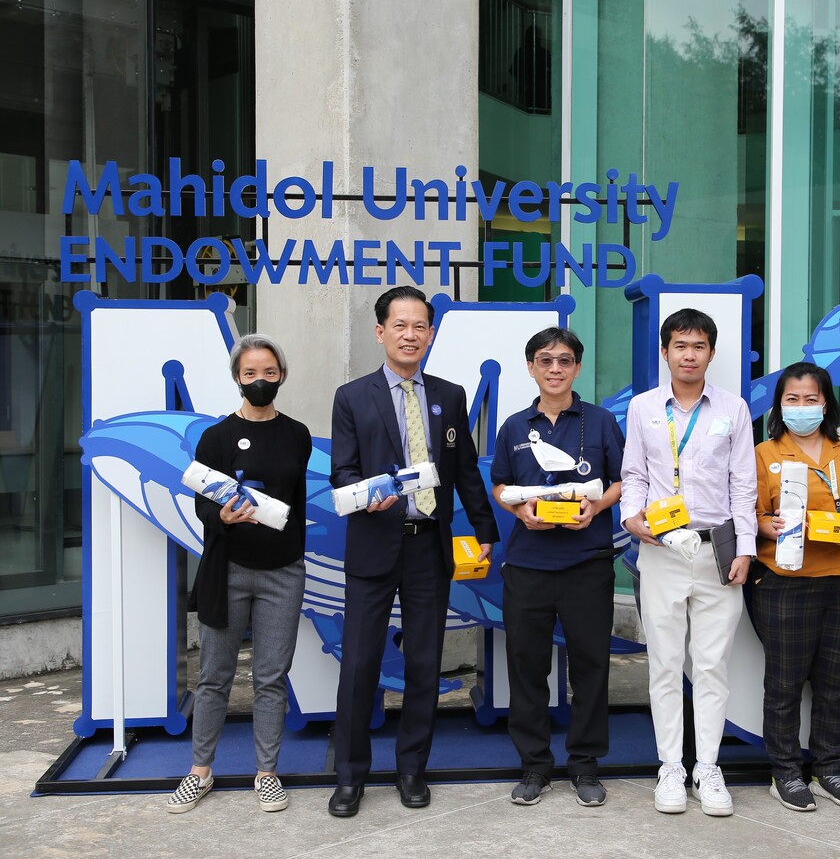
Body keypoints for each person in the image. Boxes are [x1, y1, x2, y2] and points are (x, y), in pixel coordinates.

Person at [327, 286, 499, 818]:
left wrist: (485, 526)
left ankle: (411, 770)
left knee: (425, 662)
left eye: (419, 326)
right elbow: (342, 471)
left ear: (430, 333)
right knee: (360, 664)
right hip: (374, 543)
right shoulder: (352, 397)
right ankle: (350, 777)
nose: (410, 335)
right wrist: (366, 496)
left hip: (429, 548)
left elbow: (464, 468)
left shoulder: (450, 395)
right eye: (399, 325)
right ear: (380, 332)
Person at [166, 334, 312, 814]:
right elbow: (202, 503)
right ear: (237, 378)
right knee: (214, 676)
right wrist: (222, 517)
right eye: (251, 373)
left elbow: (295, 500)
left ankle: (266, 774)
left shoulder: (297, 434)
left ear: (281, 375)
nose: (260, 381)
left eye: (269, 372)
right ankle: (199, 772)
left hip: (283, 572)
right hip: (226, 570)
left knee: (271, 676)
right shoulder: (216, 437)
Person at [620, 308, 757, 817]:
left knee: (712, 665)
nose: (689, 355)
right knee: (664, 663)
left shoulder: (733, 409)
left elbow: (743, 484)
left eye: (699, 346)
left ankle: (709, 768)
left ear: (711, 353)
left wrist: (746, 549)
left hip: (717, 548)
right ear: (665, 352)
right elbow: (634, 474)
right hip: (661, 550)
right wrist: (631, 517)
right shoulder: (643, 408)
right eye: (680, 345)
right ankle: (671, 767)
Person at [490, 327, 624, 808]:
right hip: (527, 565)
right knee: (527, 668)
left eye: (565, 360)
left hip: (587, 563)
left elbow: (622, 480)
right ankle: (534, 766)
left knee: (591, 667)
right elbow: (500, 485)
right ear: (531, 367)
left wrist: (596, 507)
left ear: (577, 368)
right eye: (545, 360)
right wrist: (519, 511)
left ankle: (585, 765)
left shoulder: (601, 422)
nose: (555, 368)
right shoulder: (513, 427)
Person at [753, 361, 840, 812]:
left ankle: (830, 767)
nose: (802, 406)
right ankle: (786, 773)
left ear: (825, 403)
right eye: (792, 399)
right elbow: (748, 511)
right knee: (785, 683)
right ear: (779, 405)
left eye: (810, 398)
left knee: (836, 680)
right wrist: (767, 526)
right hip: (787, 581)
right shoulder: (765, 453)